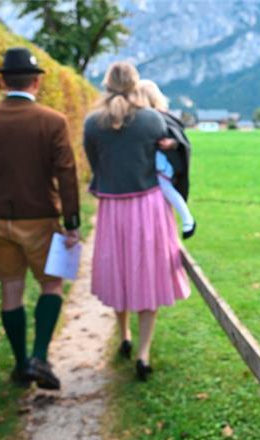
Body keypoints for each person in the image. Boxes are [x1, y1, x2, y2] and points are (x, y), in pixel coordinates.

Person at [0, 47, 81, 390]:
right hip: (40, 217)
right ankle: (40, 356)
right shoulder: (53, 121)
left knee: (10, 290)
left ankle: (20, 364)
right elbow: (66, 174)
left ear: (1, 80)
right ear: (37, 82)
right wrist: (71, 222)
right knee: (51, 284)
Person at [83, 62, 190, 381]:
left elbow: (95, 165)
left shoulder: (92, 123)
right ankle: (143, 354)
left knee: (119, 270)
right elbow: (174, 152)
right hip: (148, 206)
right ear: (135, 84)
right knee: (148, 273)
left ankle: (124, 335)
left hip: (113, 208)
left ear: (107, 84)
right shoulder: (152, 120)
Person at [136, 79, 195, 239]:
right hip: (149, 168)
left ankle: (187, 218)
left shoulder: (162, 117)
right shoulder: (138, 119)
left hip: (161, 166)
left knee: (165, 187)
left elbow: (179, 139)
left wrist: (172, 143)